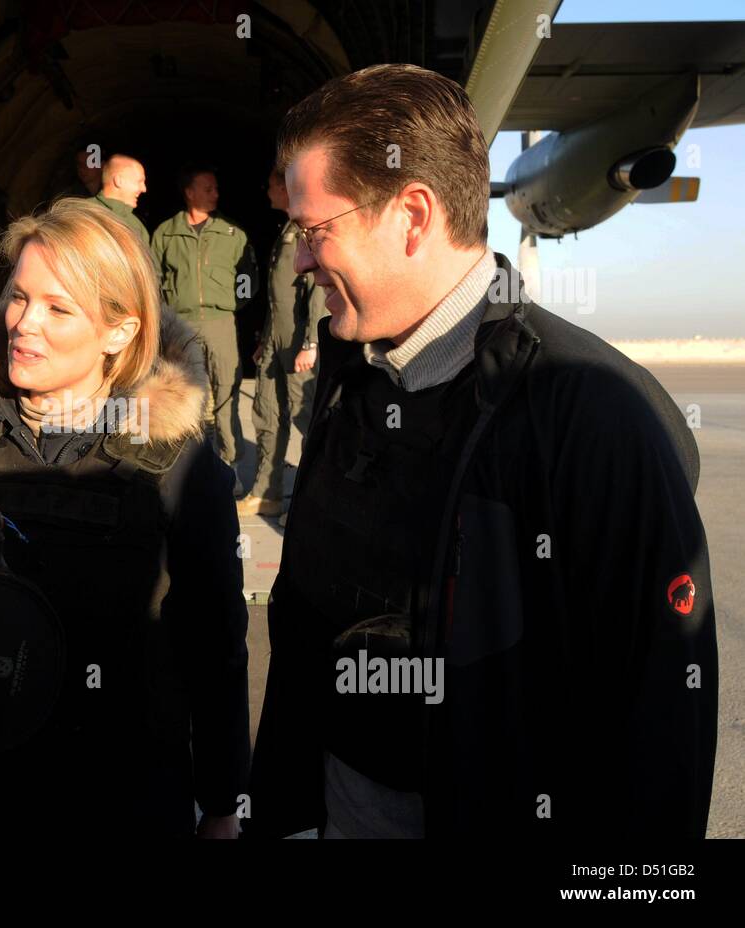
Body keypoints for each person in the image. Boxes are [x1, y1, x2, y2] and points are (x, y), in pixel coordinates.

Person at [248, 64, 717, 838]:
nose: (300, 261)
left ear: (412, 215)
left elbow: (657, 740)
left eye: (314, 231)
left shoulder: (596, 416)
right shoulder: (350, 370)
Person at [0, 198, 250, 838]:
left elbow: (214, 638)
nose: (24, 324)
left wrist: (221, 801)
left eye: (58, 308)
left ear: (120, 332)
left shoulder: (172, 458)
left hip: (122, 790)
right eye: (19, 298)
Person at [237, 167, 328, 518]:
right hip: (277, 340)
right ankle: (266, 492)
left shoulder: (307, 231)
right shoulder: (286, 231)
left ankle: (313, 504)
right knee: (267, 415)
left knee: (307, 421)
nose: (268, 191)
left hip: (298, 342)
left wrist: (311, 344)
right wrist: (265, 340)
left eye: (272, 185)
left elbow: (315, 291)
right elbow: (278, 297)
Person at [151, 166, 255, 471]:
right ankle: (183, 463)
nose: (215, 194)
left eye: (216, 189)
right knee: (183, 391)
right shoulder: (165, 233)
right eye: (208, 189)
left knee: (226, 393)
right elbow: (154, 279)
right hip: (181, 323)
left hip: (220, 322)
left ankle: (229, 464)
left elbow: (249, 277)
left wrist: (230, 305)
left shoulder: (232, 233)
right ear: (189, 193)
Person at [90, 153, 150, 245]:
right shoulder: (80, 212)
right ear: (119, 181)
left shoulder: (137, 226)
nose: (144, 189)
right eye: (139, 181)